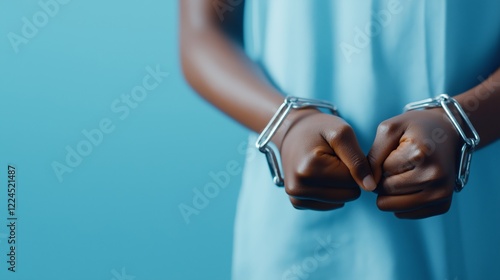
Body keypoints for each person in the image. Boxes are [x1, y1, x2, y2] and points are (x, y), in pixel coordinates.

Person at [180, 0, 500, 279]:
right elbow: (203, 31)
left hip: (475, 209)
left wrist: (462, 123)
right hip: (294, 228)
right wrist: (287, 127)